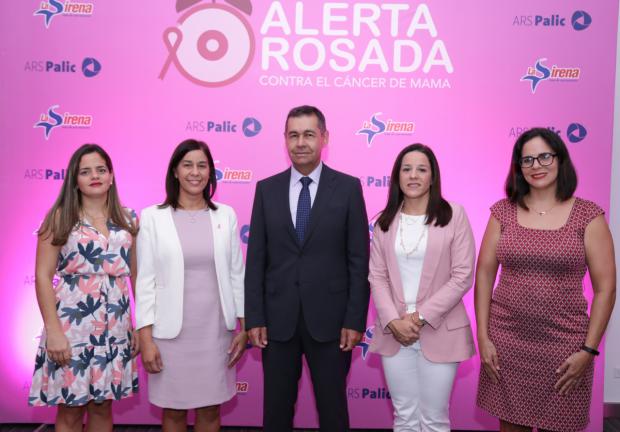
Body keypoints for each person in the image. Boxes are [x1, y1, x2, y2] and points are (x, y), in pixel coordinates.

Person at [476, 128, 616, 432]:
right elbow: (485, 274)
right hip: (507, 344)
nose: (535, 166)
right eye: (526, 160)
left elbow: (606, 289)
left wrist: (588, 351)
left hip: (567, 349)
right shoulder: (502, 212)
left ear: (560, 159)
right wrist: (484, 338)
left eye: (544, 156)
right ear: (518, 167)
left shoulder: (588, 215)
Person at [244, 105, 370, 431]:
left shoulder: (347, 188)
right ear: (285, 140)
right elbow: (256, 259)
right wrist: (255, 317)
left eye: (309, 134)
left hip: (332, 324)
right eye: (294, 135)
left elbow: (359, 261)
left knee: (333, 414)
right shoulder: (266, 189)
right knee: (276, 413)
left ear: (324, 138)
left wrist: (355, 320)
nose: (301, 142)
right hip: (277, 322)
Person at [135, 139, 246, 432]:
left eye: (202, 165)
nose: (195, 172)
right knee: (173, 413)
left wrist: (244, 326)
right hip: (169, 336)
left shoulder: (226, 215)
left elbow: (237, 274)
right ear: (174, 171)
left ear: (210, 172)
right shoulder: (152, 217)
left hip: (215, 333)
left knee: (210, 411)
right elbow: (145, 281)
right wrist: (145, 339)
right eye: (187, 165)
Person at [29, 144, 139, 432]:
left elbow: (137, 277)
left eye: (101, 170)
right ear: (74, 180)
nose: (95, 176)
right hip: (71, 327)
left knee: (103, 407)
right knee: (70, 409)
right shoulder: (60, 217)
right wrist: (53, 331)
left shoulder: (129, 220)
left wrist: (139, 327)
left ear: (111, 176)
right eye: (85, 171)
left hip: (115, 327)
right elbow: (42, 276)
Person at [368, 144, 476, 431]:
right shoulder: (383, 222)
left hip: (440, 330)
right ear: (397, 177)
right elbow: (376, 277)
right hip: (395, 333)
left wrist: (417, 317)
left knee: (434, 419)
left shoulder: (454, 214)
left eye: (421, 169)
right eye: (406, 169)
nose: (413, 175)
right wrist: (394, 321)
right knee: (404, 416)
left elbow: (463, 275)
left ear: (432, 176)